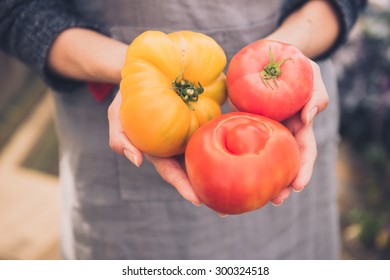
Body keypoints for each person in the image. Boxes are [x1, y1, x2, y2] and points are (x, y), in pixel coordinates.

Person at [0, 0, 366, 259]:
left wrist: (287, 55)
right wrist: (136, 73)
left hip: (293, 111)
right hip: (122, 161)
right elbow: (15, 10)